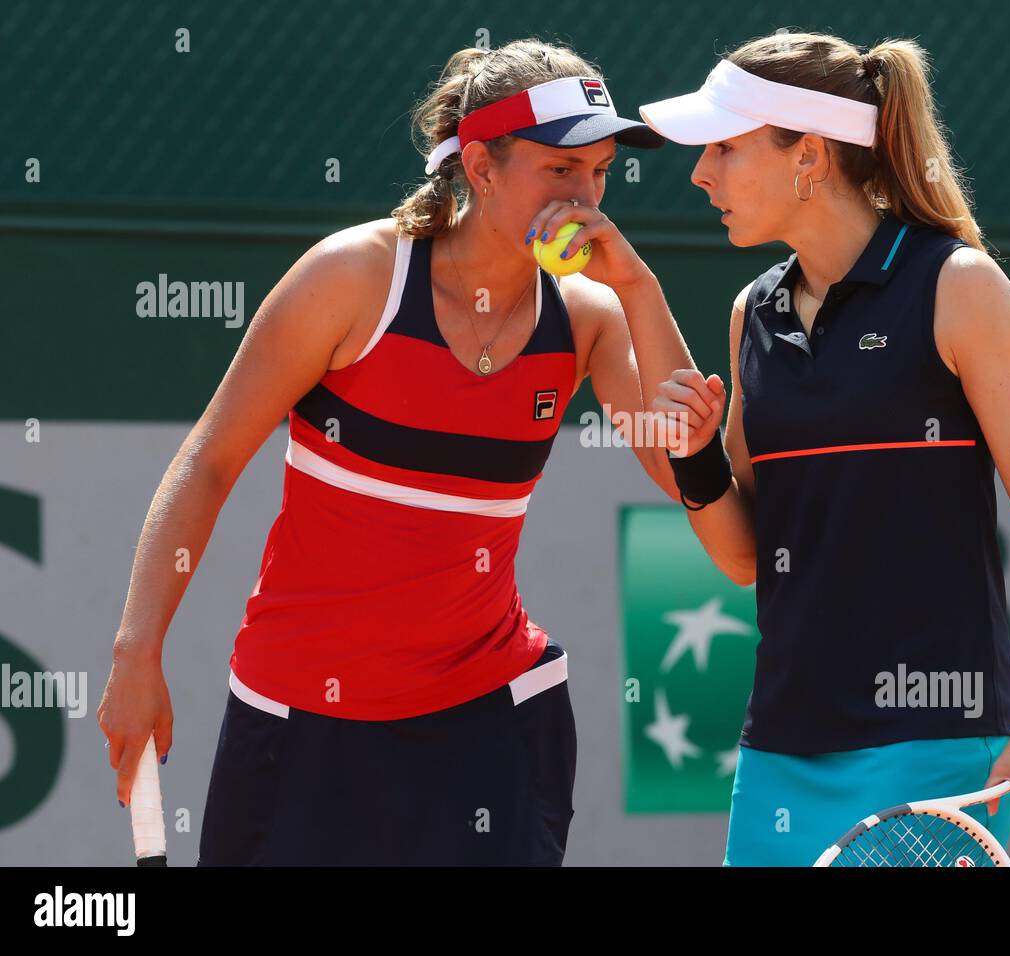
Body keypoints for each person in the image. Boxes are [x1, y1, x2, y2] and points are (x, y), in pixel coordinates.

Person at [96, 38, 700, 865]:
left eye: (599, 172)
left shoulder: (588, 314)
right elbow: (208, 463)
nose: (586, 199)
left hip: (488, 721)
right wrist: (136, 655)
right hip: (299, 718)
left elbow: (680, 471)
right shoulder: (354, 278)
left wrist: (639, 286)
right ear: (481, 167)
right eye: (560, 171)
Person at [631, 31, 1010, 865]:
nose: (702, 175)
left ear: (807, 155)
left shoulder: (959, 287)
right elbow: (743, 558)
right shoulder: (751, 314)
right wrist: (694, 457)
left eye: (726, 149)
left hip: (936, 745)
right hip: (779, 747)